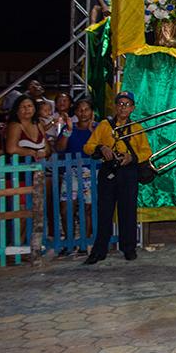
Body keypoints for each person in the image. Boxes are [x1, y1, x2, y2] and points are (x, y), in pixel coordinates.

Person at [83, 91, 151, 264]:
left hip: (128, 172)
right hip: (108, 171)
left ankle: (129, 248)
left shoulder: (137, 128)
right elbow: (88, 146)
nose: (123, 107)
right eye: (120, 103)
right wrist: (100, 148)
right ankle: (100, 250)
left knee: (128, 211)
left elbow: (146, 151)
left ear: (133, 108)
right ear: (115, 106)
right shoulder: (104, 126)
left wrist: (132, 157)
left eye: (127, 104)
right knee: (104, 211)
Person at [55, 98, 96, 257]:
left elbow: (102, 148)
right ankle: (69, 242)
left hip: (91, 172)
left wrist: (94, 133)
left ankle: (84, 243)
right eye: (80, 110)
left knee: (87, 208)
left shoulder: (98, 128)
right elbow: (59, 149)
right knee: (66, 209)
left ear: (92, 112)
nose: (83, 113)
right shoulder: (68, 128)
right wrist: (68, 131)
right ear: (75, 112)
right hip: (71, 172)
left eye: (86, 109)